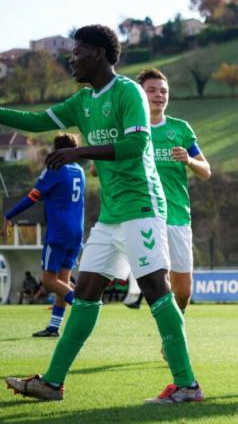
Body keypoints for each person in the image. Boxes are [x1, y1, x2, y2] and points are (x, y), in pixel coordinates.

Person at [2, 25, 202, 403]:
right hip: (111, 215)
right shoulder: (82, 101)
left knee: (157, 288)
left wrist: (79, 152)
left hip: (142, 204)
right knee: (88, 290)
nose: (71, 58)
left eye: (77, 52)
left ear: (97, 53)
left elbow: (135, 144)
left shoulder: (129, 92)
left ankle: (188, 385)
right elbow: (36, 121)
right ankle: (52, 382)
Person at [135, 68, 211, 313]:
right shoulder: (131, 129)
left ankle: (173, 330)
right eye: (152, 90)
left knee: (184, 291)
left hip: (178, 215)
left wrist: (189, 160)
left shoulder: (180, 129)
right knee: (160, 281)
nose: (159, 95)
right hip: (145, 215)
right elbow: (98, 168)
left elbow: (206, 170)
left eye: (163, 91)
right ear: (140, 94)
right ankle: (168, 335)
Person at [3, 134, 84, 336]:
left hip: (58, 232)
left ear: (57, 151)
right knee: (62, 282)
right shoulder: (79, 171)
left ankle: (83, 306)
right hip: (76, 233)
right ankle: (54, 327)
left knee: (49, 282)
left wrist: (8, 215)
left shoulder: (55, 169)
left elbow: (32, 197)